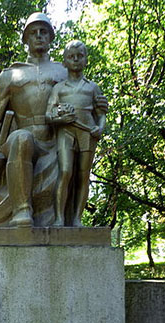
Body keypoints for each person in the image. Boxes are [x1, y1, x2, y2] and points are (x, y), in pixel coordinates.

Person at [0, 13, 107, 230]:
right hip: (23, 139)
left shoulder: (63, 71)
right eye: (33, 32)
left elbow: (84, 96)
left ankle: (67, 219)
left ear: (51, 38)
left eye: (44, 32)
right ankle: (22, 211)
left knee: (71, 162)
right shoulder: (10, 75)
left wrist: (99, 108)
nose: (39, 36)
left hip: (58, 138)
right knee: (22, 139)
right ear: (26, 39)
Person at [47, 40, 106, 227]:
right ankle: (59, 218)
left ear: (86, 60)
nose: (75, 60)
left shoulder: (92, 87)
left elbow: (101, 114)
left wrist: (100, 128)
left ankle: (77, 219)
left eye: (79, 56)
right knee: (65, 172)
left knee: (83, 175)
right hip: (66, 133)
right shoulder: (59, 88)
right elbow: (48, 114)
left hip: (87, 134)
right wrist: (59, 119)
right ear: (64, 61)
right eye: (71, 57)